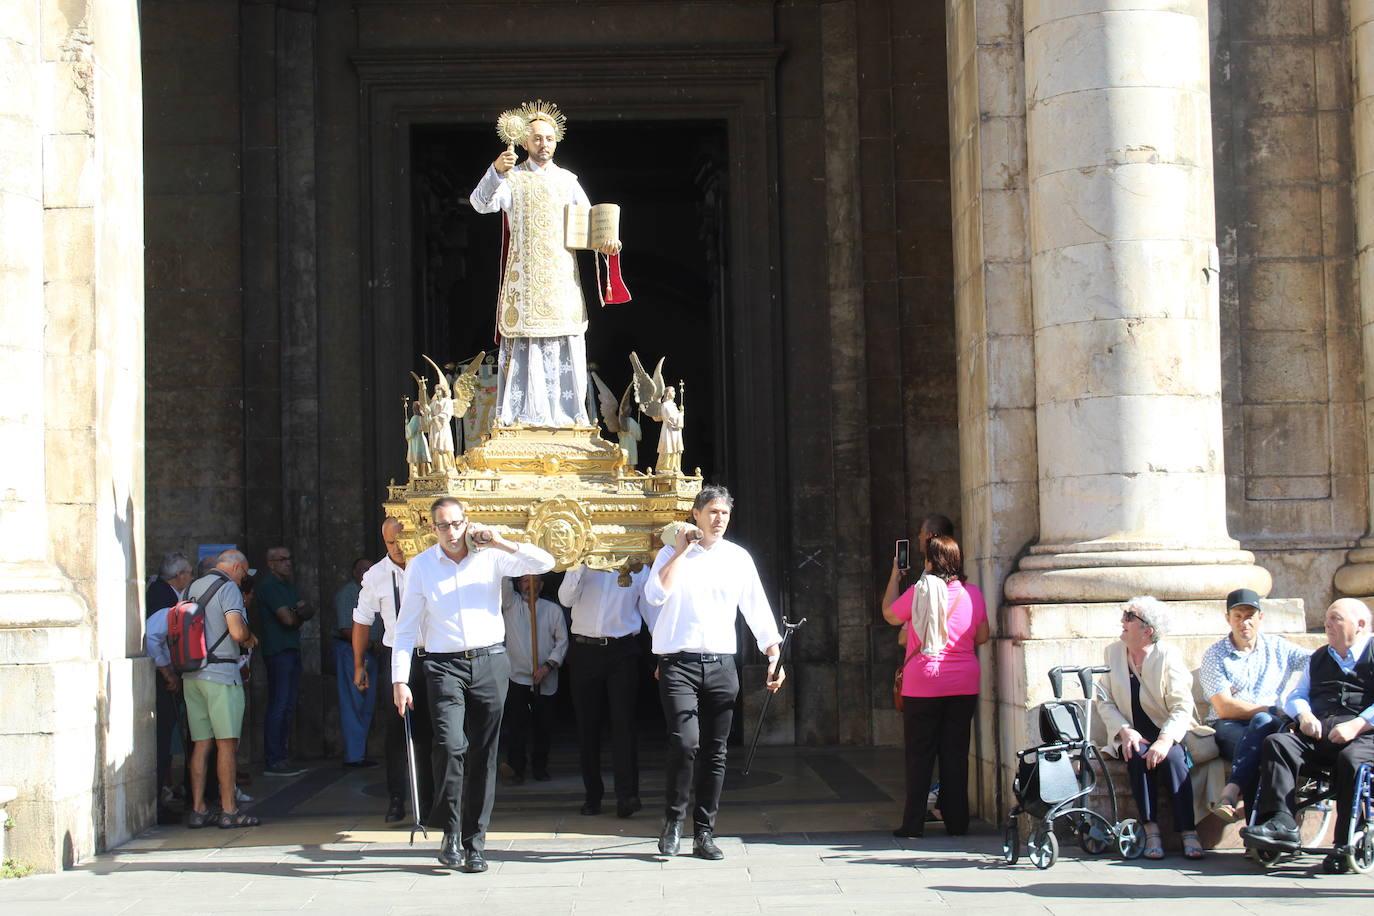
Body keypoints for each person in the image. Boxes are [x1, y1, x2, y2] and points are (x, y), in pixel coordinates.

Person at [391, 497, 555, 872]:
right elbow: (404, 628)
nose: (452, 532)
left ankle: (474, 841)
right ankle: (449, 831)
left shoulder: (489, 555)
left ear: (467, 523)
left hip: (490, 661)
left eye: (457, 524)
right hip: (443, 665)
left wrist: (501, 542)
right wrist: (400, 679)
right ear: (433, 529)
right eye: (444, 525)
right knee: (450, 746)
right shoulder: (421, 566)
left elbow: (544, 562)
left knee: (484, 753)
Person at [643, 485, 784, 861]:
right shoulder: (671, 555)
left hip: (721, 663)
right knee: (685, 742)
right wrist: (677, 552)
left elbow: (756, 607)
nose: (718, 519)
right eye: (712, 512)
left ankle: (704, 830)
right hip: (678, 663)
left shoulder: (738, 558)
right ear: (696, 514)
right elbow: (654, 596)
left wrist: (773, 652)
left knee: (716, 751)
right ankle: (674, 822)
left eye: (724, 513)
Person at [468, 101, 623, 427]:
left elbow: (592, 225)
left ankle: (568, 419)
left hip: (561, 281)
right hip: (524, 284)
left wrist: (608, 243)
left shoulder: (568, 181)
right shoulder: (512, 179)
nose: (544, 144)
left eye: (550, 138)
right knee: (525, 345)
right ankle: (521, 420)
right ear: (524, 142)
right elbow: (480, 204)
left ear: (557, 141)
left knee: (565, 342)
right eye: (537, 138)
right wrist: (496, 170)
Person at [1241, 598, 1374, 872]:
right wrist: (1304, 715)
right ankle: (1282, 822)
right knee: (1278, 743)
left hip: (1364, 737)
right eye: (1326, 619)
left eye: (1335, 618)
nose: (1327, 624)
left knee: (1352, 760)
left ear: (1360, 625)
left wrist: (1357, 724)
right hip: (1321, 732)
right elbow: (1297, 695)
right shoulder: (1319, 657)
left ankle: (1341, 842)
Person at [881, 534, 987, 839]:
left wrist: (894, 574)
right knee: (955, 754)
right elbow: (982, 636)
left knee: (919, 756)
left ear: (931, 561)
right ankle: (957, 822)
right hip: (964, 682)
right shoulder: (973, 594)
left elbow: (889, 614)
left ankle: (913, 824)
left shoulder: (919, 591)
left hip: (923, 681)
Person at [1096, 596, 1215, 860]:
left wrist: (1164, 740)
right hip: (1132, 733)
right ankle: (1150, 830)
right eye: (1124, 615)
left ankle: (1188, 831)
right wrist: (1124, 730)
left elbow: (1182, 707)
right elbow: (1103, 699)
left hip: (1166, 732)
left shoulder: (1168, 656)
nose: (1123, 621)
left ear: (1148, 630)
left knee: (1173, 759)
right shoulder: (1113, 653)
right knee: (1136, 755)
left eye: (1130, 617)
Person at [1198, 587, 1310, 822]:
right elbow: (1224, 708)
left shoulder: (1279, 647)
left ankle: (1231, 794)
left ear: (1260, 617)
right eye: (1237, 616)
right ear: (1228, 618)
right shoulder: (1215, 655)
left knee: (1263, 733)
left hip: (1273, 725)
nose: (1243, 623)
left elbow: (1314, 661)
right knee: (1261, 740)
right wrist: (1267, 710)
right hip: (1228, 725)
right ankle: (1258, 827)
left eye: (1249, 616)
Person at [353, 517, 434, 823]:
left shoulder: (428, 567)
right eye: (391, 543)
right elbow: (362, 619)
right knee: (397, 732)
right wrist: (359, 664)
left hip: (432, 654)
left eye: (403, 539)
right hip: (396, 655)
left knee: (430, 732)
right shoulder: (376, 575)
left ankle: (428, 801)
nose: (399, 548)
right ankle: (397, 798)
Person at [559, 562, 654, 817]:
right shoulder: (583, 566)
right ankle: (593, 795)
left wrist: (664, 655)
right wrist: (577, 565)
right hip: (584, 650)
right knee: (587, 726)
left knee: (624, 724)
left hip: (622, 650)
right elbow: (565, 599)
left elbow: (651, 612)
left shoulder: (637, 568)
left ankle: (627, 796)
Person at [181, 550, 260, 828]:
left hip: (192, 675)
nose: (243, 580)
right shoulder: (228, 589)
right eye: (243, 574)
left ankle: (199, 808)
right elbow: (237, 632)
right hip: (221, 674)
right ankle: (229, 810)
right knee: (226, 744)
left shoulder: (191, 587)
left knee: (201, 744)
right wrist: (250, 640)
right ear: (237, 567)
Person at [500, 573, 568, 783]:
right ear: (519, 584)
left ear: (541, 585)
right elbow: (503, 580)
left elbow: (562, 642)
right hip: (517, 677)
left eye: (535, 582)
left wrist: (548, 666)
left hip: (545, 678)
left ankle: (540, 767)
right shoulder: (510, 605)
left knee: (543, 726)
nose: (530, 586)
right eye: (525, 582)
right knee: (517, 726)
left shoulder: (552, 610)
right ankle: (516, 769)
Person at [256, 545, 316, 776]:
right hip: (278, 651)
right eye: (282, 560)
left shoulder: (288, 586)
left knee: (288, 705)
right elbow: (288, 619)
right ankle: (274, 758)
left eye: (289, 558)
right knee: (279, 705)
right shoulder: (270, 587)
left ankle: (282, 754)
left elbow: (308, 610)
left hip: (291, 649)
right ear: (271, 563)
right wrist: (296, 612)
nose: (288, 563)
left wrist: (296, 612)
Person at [145, 550, 193, 813]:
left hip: (166, 677)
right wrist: (167, 673)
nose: (190, 577)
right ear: (179, 575)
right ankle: (158, 801)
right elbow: (152, 638)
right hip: (162, 681)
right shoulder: (164, 597)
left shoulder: (166, 593)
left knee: (167, 737)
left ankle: (164, 793)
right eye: (189, 573)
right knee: (162, 739)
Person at [334, 557, 378, 768]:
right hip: (352, 652)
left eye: (370, 569)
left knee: (366, 704)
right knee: (353, 703)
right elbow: (345, 628)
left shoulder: (374, 590)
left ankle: (359, 752)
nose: (366, 573)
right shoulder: (348, 593)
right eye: (362, 569)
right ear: (354, 572)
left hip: (374, 653)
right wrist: (368, 644)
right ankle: (354, 756)